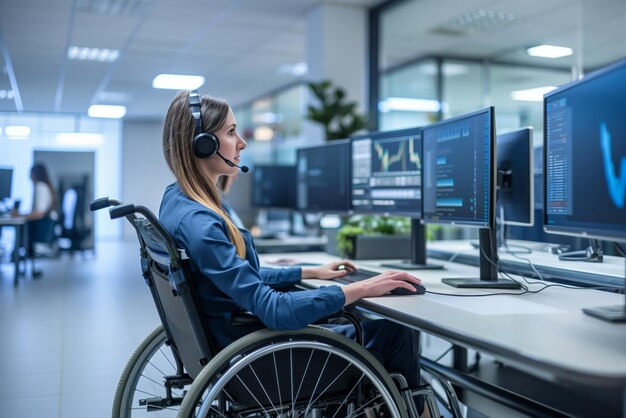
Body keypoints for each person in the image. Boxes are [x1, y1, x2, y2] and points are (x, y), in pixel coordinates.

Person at [159, 90, 425, 408]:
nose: (242, 143)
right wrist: (363, 287)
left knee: (353, 317)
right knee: (395, 332)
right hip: (260, 368)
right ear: (204, 144)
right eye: (231, 133)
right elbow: (274, 309)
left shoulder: (176, 200)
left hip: (237, 352)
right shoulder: (201, 223)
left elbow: (243, 277)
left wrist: (308, 272)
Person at [13, 164, 59, 272]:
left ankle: (15, 257)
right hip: (45, 222)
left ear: (35, 174)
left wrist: (19, 215)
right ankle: (18, 258)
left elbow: (39, 213)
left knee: (20, 230)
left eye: (30, 173)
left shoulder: (40, 187)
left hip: (42, 224)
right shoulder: (45, 186)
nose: (29, 176)